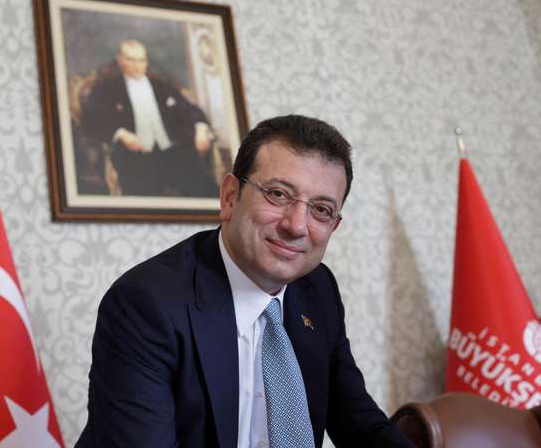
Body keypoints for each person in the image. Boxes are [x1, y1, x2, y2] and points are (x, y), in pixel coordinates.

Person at [76, 115, 414, 448]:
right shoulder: (146, 304)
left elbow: (358, 421)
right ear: (230, 198)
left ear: (333, 227)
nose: (297, 226)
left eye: (321, 210)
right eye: (279, 194)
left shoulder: (317, 288)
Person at [80, 39, 219, 197]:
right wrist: (121, 134)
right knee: (144, 198)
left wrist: (200, 127)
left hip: (174, 152)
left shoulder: (162, 86)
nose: (137, 65)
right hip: (135, 158)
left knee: (207, 192)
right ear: (120, 60)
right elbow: (90, 119)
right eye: (131, 60)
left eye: (141, 60)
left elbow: (190, 109)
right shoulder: (107, 88)